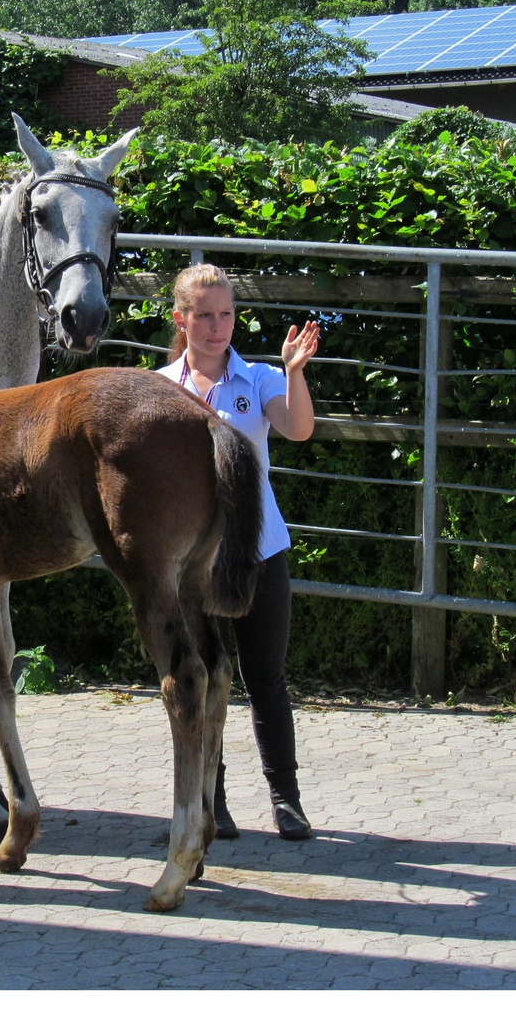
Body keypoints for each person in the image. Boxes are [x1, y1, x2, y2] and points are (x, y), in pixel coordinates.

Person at [154, 263, 320, 840]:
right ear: (182, 319)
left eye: (225, 314)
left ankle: (287, 801)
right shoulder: (160, 388)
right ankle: (212, 803)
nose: (216, 326)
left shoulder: (261, 379)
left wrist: (295, 373)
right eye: (204, 315)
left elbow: (298, 429)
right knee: (198, 676)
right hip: (191, 559)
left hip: (259, 547)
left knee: (265, 679)